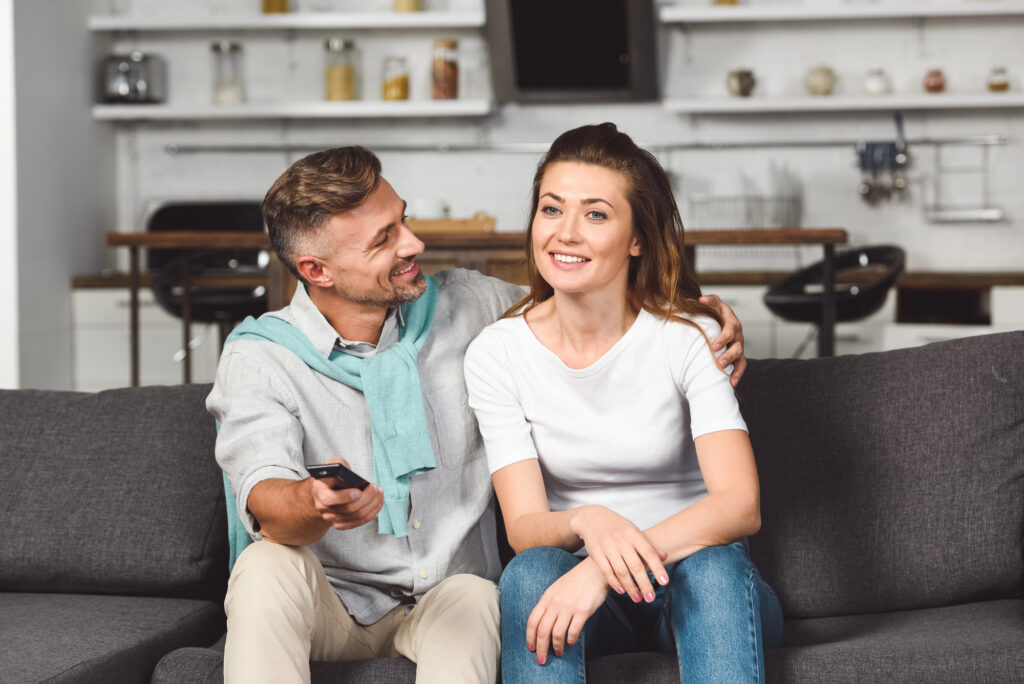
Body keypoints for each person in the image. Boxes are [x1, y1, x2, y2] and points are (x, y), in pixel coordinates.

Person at [207, 144, 749, 684]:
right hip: (333, 606)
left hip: (452, 599)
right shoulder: (261, 357)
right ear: (315, 269)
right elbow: (266, 496)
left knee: (476, 594)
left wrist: (701, 312)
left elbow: (593, 297)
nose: (414, 244)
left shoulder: (469, 306)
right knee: (265, 565)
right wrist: (312, 501)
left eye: (403, 222)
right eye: (384, 239)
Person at [464, 123, 783, 684]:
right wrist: (589, 523)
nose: (565, 233)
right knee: (531, 572)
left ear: (637, 238)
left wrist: (604, 570)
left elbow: (739, 506)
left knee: (713, 569)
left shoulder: (689, 335)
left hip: (697, 583)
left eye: (596, 214)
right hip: (585, 600)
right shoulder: (497, 352)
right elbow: (525, 527)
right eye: (551, 209)